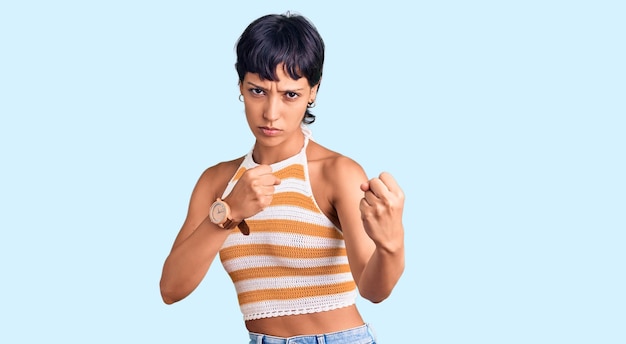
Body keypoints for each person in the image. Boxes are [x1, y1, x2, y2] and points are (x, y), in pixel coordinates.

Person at [159, 12, 405, 344]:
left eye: (290, 94)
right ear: (241, 87)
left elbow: (373, 290)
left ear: (312, 92)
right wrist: (229, 212)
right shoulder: (216, 182)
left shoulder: (336, 173)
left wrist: (391, 246)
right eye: (257, 91)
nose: (271, 113)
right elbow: (171, 289)